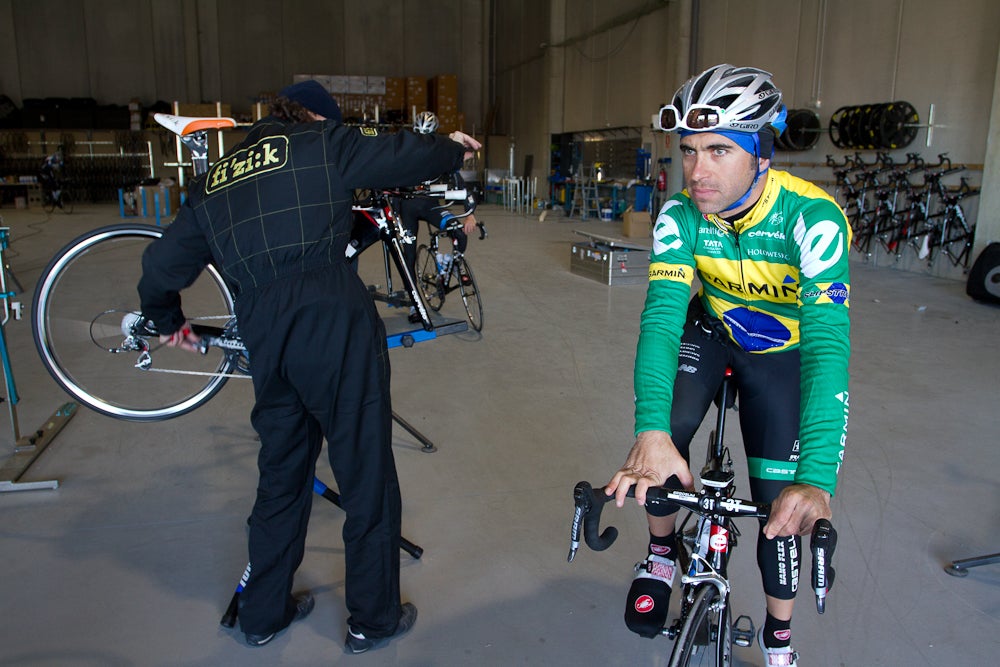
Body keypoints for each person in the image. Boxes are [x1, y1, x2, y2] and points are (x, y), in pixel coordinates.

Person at [137, 80, 480, 654]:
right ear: (319, 116)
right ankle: (372, 619)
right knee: (364, 470)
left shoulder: (213, 180)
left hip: (264, 332)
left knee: (281, 474)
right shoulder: (321, 143)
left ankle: (262, 615)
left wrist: (163, 315)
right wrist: (452, 148)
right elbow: (401, 153)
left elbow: (161, 263)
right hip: (331, 317)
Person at [604, 64, 850, 666]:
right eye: (688, 150)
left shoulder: (811, 218)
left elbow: (826, 347)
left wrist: (817, 479)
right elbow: (662, 320)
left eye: (718, 149)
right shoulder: (680, 215)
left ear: (762, 153)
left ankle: (778, 636)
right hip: (711, 330)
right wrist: (651, 431)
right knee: (663, 451)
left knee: (782, 507)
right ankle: (662, 555)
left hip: (782, 353)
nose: (696, 170)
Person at [393, 111, 480, 323]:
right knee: (408, 258)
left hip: (429, 206)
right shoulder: (405, 152)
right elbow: (392, 185)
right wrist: (393, 218)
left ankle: (446, 268)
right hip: (407, 210)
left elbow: (459, 184)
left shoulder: (439, 152)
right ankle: (415, 305)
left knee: (459, 233)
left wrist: (471, 215)